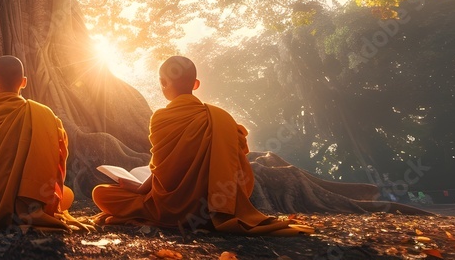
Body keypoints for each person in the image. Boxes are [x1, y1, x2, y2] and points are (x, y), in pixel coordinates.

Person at [92, 56, 312, 235]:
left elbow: (162, 171)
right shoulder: (222, 118)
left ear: (162, 83)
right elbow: (239, 166)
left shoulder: (161, 118)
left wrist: (139, 188)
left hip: (168, 208)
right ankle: (210, 216)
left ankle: (158, 214)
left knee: (101, 193)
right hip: (213, 208)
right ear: (196, 85)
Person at [0, 55, 88, 230]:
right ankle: (30, 211)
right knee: (66, 194)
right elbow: (54, 167)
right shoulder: (45, 115)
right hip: (31, 203)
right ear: (24, 82)